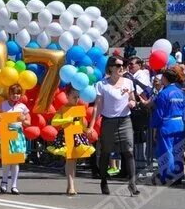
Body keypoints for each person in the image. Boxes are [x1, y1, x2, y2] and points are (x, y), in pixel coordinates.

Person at [92, 55, 139, 196]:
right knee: (105, 153)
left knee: (129, 151)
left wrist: (133, 103)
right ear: (111, 67)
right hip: (109, 121)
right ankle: (104, 181)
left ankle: (132, 184)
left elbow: (133, 99)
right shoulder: (102, 85)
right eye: (118, 65)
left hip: (125, 120)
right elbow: (97, 106)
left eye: (122, 65)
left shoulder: (128, 82)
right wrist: (91, 125)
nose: (121, 68)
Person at [49, 86, 95, 195]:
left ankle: (71, 185)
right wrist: (67, 119)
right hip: (67, 135)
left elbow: (81, 124)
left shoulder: (78, 108)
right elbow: (54, 122)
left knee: (73, 161)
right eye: (74, 97)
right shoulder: (63, 108)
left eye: (78, 97)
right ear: (67, 96)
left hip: (77, 136)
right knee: (70, 160)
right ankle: (71, 186)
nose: (76, 99)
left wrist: (87, 129)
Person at [152, 66, 185, 185]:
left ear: (165, 78)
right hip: (179, 123)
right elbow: (184, 110)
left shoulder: (164, 94)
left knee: (166, 151)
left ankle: (169, 176)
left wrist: (154, 126)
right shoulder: (181, 92)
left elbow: (159, 113)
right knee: (178, 150)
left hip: (167, 124)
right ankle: (178, 176)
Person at [0, 84, 30, 194]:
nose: (15, 96)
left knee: (15, 161)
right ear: (9, 94)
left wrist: (23, 119)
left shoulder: (23, 107)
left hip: (18, 135)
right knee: (6, 160)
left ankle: (14, 185)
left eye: (18, 94)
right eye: (13, 93)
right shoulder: (3, 105)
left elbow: (28, 123)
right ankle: (4, 181)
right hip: (6, 133)